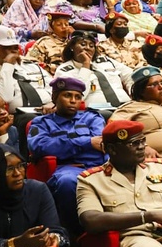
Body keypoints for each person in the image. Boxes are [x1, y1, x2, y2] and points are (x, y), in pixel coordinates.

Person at [28, 76, 106, 233]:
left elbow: (102, 143)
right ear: (54, 97)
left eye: (77, 97)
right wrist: (86, 142)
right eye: (67, 95)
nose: (73, 101)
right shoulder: (41, 123)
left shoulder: (92, 118)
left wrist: (64, 144)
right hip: (69, 169)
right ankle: (74, 234)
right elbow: (40, 146)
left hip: (100, 166)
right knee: (68, 182)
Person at [53, 30, 132, 108]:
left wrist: (134, 93)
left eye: (91, 46)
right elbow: (77, 96)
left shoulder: (105, 61)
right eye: (83, 44)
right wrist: (85, 65)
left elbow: (129, 75)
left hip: (125, 106)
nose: (88, 48)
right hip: (96, 111)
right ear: (72, 47)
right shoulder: (64, 70)